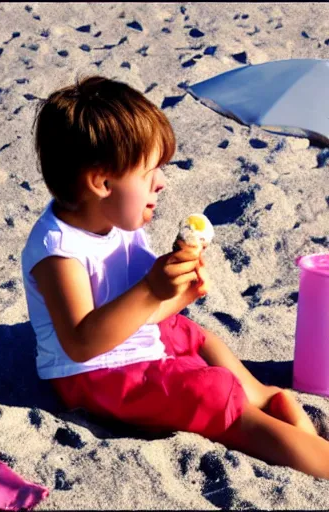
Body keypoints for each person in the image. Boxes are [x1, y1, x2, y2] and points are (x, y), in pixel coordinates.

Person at [21, 75, 329, 479]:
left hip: (137, 343)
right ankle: (267, 429)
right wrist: (151, 289)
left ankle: (262, 397)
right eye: (150, 170)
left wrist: (178, 291)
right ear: (101, 182)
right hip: (96, 376)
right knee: (213, 394)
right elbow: (81, 343)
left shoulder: (117, 218)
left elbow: (149, 309)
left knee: (199, 336)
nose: (162, 181)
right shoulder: (58, 251)